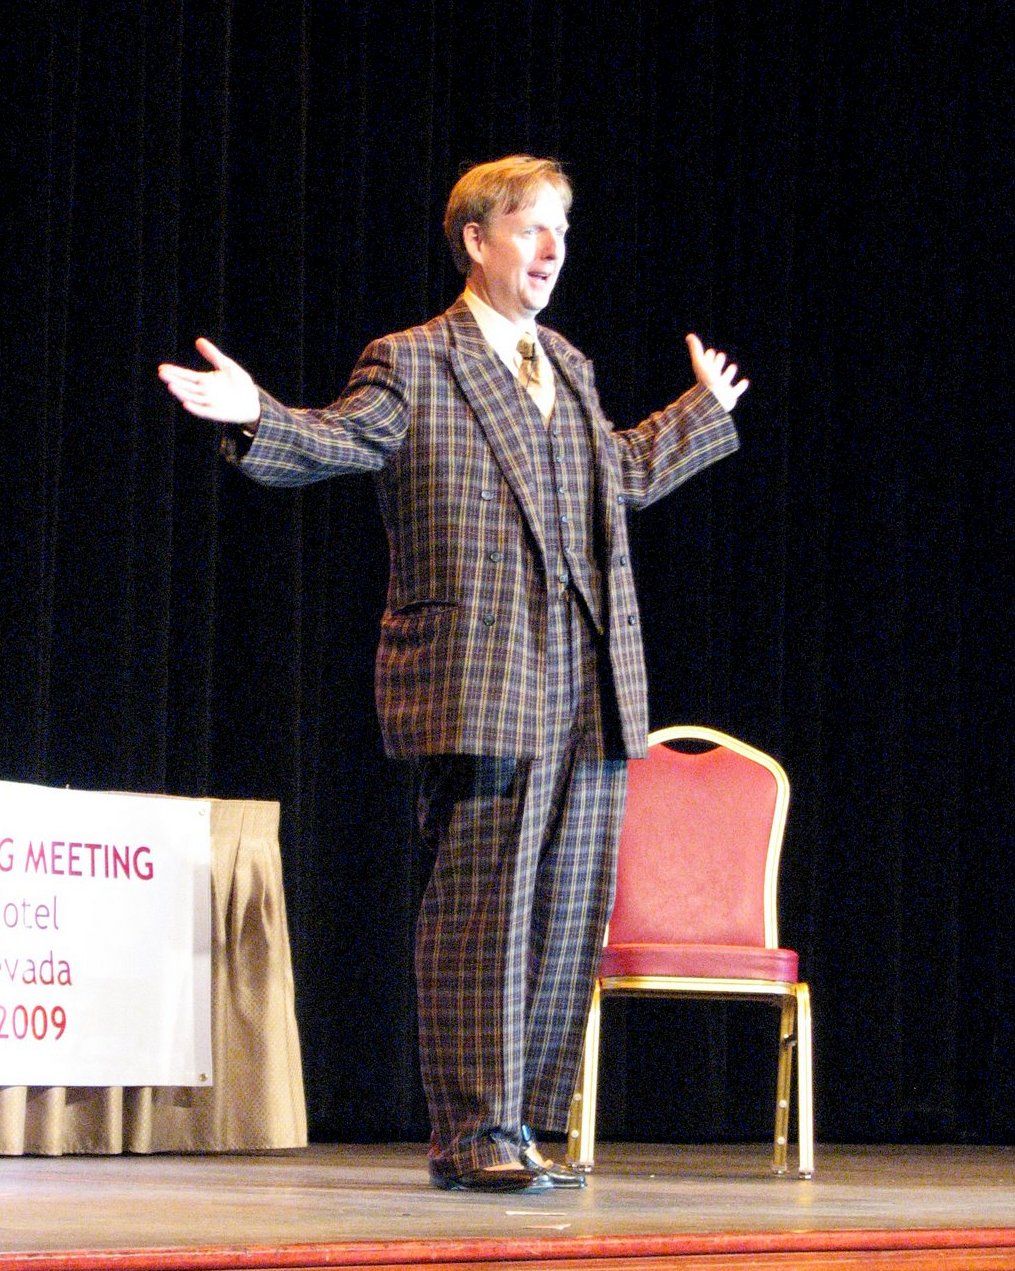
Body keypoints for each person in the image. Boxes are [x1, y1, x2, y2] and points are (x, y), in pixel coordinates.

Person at [159, 155, 747, 1193]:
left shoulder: (565, 363)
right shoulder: (414, 359)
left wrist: (699, 410)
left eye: (563, 230)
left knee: (566, 913)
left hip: (591, 675)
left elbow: (618, 475)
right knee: (482, 909)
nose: (553, 249)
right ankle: (471, 1128)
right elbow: (341, 437)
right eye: (532, 228)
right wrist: (256, 413)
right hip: (482, 671)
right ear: (476, 239)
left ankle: (522, 1125)